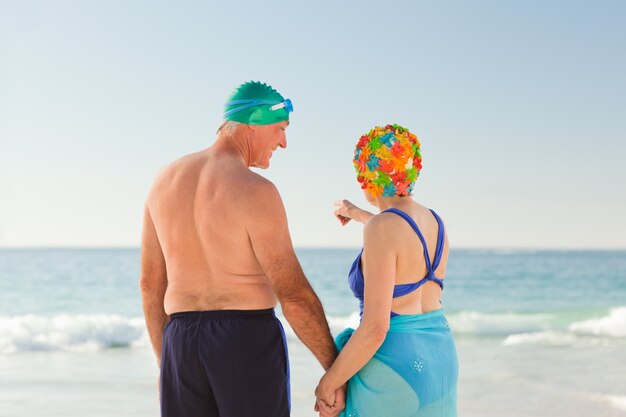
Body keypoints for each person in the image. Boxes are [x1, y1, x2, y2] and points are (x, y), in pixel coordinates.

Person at [139, 81, 344, 417]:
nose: (283, 142)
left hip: (179, 341)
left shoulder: (164, 180)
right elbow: (293, 294)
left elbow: (150, 284)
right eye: (280, 129)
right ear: (254, 123)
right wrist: (336, 372)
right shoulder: (256, 190)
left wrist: (168, 367)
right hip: (244, 340)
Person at [315, 124, 458, 417]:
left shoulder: (382, 227)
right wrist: (356, 214)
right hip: (439, 356)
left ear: (368, 175)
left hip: (394, 363)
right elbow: (401, 237)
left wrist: (328, 383)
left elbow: (375, 329)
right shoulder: (434, 221)